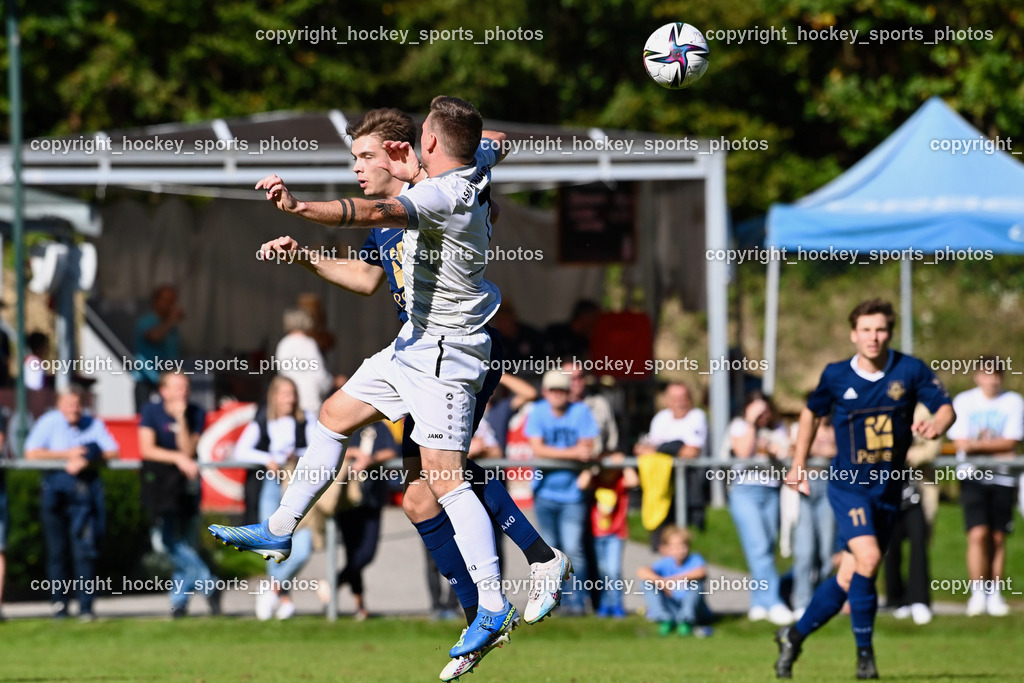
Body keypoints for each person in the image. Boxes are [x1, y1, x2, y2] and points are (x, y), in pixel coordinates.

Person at [210, 97, 563, 666]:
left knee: (442, 482)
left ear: (409, 147)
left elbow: (369, 212)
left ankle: (505, 595)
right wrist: (306, 256)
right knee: (341, 423)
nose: (354, 168)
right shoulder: (455, 172)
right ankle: (281, 527)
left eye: (362, 156)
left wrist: (296, 206)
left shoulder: (437, 195)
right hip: (413, 344)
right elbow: (487, 140)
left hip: (450, 350)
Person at [775, 299, 954, 680]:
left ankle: (792, 636)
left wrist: (938, 424)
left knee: (847, 578)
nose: (874, 337)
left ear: (889, 332)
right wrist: (798, 464)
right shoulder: (837, 375)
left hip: (888, 491)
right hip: (849, 487)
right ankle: (864, 658)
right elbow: (811, 412)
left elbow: (945, 407)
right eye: (866, 330)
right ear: (853, 334)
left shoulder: (909, 369)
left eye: (881, 330)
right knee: (870, 559)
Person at [24, 387, 119, 620]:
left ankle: (86, 607)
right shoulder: (48, 422)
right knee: (58, 552)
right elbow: (31, 453)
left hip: (83, 496)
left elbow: (113, 451)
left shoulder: (92, 423)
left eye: (77, 404)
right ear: (59, 406)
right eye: (68, 404)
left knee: (84, 551)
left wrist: (85, 456)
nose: (73, 409)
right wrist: (66, 454)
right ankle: (60, 605)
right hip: (54, 493)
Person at [232, 376, 316, 620]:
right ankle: (284, 599)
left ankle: (271, 589)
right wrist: (267, 459)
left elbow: (315, 449)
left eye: (293, 394)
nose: (290, 399)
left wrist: (294, 455)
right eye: (285, 394)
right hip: (271, 485)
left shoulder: (306, 419)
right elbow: (241, 450)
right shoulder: (263, 420)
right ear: (275, 396)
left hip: (298, 485)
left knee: (302, 547)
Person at [139, 371, 220, 618]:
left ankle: (179, 602)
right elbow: (146, 449)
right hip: (161, 488)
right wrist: (176, 457)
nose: (182, 392)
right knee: (166, 542)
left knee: (186, 542)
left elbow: (188, 448)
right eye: (176, 387)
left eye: (185, 387)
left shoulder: (195, 413)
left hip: (186, 488)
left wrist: (181, 419)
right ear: (163, 390)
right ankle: (209, 582)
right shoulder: (151, 411)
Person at [946, 359, 1022, 617]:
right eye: (986, 375)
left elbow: (1012, 442)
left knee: (998, 537)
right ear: (977, 376)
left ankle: (995, 592)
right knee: (977, 534)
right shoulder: (964, 402)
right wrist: (996, 448)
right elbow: (959, 442)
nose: (991, 380)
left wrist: (977, 446)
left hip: (1003, 479)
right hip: (972, 477)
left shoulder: (1013, 402)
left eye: (996, 375)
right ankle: (977, 591)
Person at [526, 367, 599, 615]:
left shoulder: (580, 412)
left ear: (569, 392)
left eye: (562, 390)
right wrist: (572, 454)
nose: (557, 394)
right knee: (550, 554)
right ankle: (551, 605)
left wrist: (569, 455)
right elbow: (538, 449)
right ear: (546, 392)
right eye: (553, 390)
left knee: (574, 549)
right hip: (545, 493)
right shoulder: (537, 411)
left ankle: (577, 604)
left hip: (572, 494)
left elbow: (587, 449)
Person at [728, 392, 793, 626]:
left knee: (767, 547)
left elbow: (787, 456)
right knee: (758, 547)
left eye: (764, 411)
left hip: (771, 492)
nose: (762, 416)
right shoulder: (739, 426)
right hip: (745, 492)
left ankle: (758, 603)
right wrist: (751, 424)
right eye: (757, 411)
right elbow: (744, 453)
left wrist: (776, 449)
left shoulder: (778, 429)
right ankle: (774, 601)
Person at [332, 419, 398, 621]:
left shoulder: (380, 426)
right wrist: (353, 454)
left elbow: (393, 450)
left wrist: (370, 458)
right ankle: (360, 606)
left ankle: (334, 583)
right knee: (352, 552)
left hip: (373, 498)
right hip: (347, 499)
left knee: (366, 553)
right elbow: (330, 450)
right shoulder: (345, 425)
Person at [638, 382, 708, 538]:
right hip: (662, 485)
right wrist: (674, 448)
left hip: (690, 485)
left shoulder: (697, 416)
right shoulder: (661, 418)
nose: (680, 402)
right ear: (666, 400)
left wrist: (660, 449)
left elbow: (691, 451)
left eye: (684, 397)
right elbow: (643, 450)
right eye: (675, 398)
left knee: (687, 533)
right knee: (663, 534)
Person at [789, 412, 837, 622]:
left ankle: (822, 600)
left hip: (831, 486)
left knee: (827, 551)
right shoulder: (799, 428)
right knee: (805, 551)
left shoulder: (839, 426)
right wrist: (818, 451)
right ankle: (801, 601)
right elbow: (792, 450)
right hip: (805, 487)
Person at [637, 525, 712, 637]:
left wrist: (673, 580)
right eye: (675, 547)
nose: (680, 550)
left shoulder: (695, 559)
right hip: (673, 606)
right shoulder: (666, 562)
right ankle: (664, 619)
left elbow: (701, 572)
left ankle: (686, 621)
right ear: (667, 549)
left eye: (683, 546)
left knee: (696, 583)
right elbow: (641, 571)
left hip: (696, 610)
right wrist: (661, 582)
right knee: (647, 583)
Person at [590, 453, 637, 618]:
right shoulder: (596, 481)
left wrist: (624, 462)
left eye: (612, 469)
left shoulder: (619, 483)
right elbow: (581, 483)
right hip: (597, 533)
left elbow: (633, 480)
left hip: (616, 534)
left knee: (613, 570)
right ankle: (605, 604)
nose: (609, 473)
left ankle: (617, 604)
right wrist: (592, 462)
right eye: (606, 469)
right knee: (602, 571)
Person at [275, 307, 335, 414]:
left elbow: (282, 374)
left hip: (290, 401)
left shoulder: (283, 344)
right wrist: (332, 383)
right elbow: (320, 376)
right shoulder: (309, 344)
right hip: (309, 400)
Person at [134, 284, 184, 412]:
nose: (170, 305)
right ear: (156, 302)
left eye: (172, 301)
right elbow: (154, 337)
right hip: (147, 380)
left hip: (168, 380)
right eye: (166, 301)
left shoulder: (171, 326)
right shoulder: (146, 321)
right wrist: (171, 320)